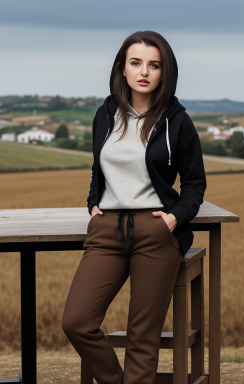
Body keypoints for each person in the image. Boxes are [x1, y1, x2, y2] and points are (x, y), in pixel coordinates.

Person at [62, 30, 206, 384]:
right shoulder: (105, 114)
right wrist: (93, 203)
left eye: (154, 65)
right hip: (107, 231)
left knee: (143, 338)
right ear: (122, 69)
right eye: (136, 63)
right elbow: (99, 168)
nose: (144, 71)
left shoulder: (177, 121)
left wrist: (174, 218)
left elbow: (195, 184)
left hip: (155, 233)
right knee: (77, 321)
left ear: (164, 72)